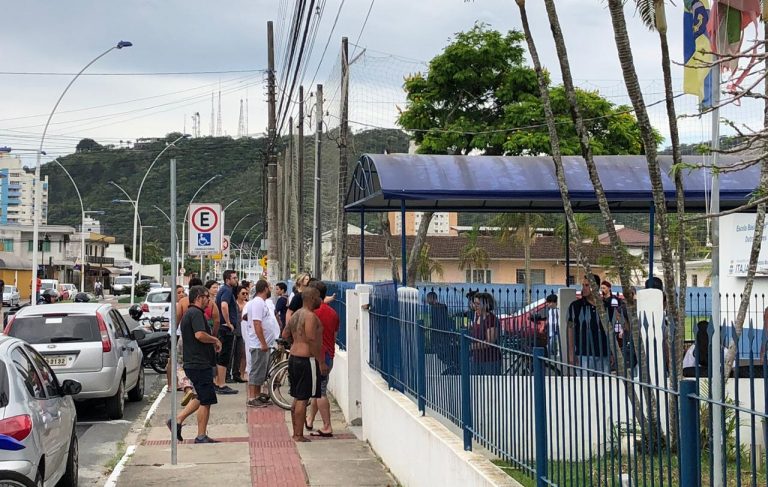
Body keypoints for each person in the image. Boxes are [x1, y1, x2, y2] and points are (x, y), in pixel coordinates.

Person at [168, 285, 222, 444]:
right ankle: (199, 434)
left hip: (195, 362)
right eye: (207, 297)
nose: (209, 300)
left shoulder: (189, 314)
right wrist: (215, 339)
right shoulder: (196, 313)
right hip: (199, 363)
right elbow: (199, 335)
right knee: (206, 400)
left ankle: (179, 421)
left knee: (201, 396)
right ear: (199, 297)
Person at [282, 286, 326, 442]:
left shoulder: (295, 315)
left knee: (297, 396)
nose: (321, 300)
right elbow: (312, 339)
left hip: (293, 357)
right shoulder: (310, 316)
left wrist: (295, 344)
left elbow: (285, 334)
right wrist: (321, 362)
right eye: (319, 297)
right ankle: (298, 434)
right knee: (303, 398)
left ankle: (296, 431)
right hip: (306, 360)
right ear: (313, 298)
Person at [306, 281, 339, 436]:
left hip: (320, 355)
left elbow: (311, 337)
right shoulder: (332, 312)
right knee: (317, 389)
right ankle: (310, 419)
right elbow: (335, 335)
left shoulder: (313, 313)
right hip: (329, 354)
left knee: (320, 392)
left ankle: (327, 426)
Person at [245, 280, 280, 407]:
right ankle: (252, 397)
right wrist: (263, 342)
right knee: (256, 371)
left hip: (263, 343)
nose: (271, 289)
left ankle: (258, 395)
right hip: (259, 344)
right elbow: (256, 323)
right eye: (269, 287)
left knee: (261, 372)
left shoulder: (261, 303)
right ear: (265, 289)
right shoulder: (257, 303)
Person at [567, 274, 610, 374]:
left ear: (596, 287)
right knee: (584, 385)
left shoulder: (605, 306)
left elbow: (609, 329)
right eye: (583, 285)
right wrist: (571, 352)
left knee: (604, 386)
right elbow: (570, 328)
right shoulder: (576, 306)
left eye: (587, 285)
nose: (584, 288)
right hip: (584, 353)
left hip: (603, 353)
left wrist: (611, 352)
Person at [214, 270, 240, 394]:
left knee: (223, 355)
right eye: (234, 278)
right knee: (224, 355)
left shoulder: (226, 290)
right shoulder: (227, 290)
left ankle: (219, 382)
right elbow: (224, 306)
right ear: (227, 280)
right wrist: (229, 322)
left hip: (224, 327)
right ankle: (221, 383)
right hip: (225, 328)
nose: (236, 280)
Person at [470, 292, 502, 374]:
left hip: (490, 361)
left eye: (477, 304)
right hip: (477, 359)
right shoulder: (477, 317)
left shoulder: (491, 319)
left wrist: (471, 347)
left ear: (485, 305)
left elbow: (489, 342)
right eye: (474, 303)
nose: (475, 306)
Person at [426, 291, 457, 373]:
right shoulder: (438, 307)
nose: (427, 300)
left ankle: (451, 364)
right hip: (440, 332)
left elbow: (439, 321)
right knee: (441, 350)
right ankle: (450, 363)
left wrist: (432, 328)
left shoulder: (438, 307)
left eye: (428, 298)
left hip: (440, 333)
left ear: (433, 298)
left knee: (441, 350)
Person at [231, 284, 250, 383]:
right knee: (232, 353)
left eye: (246, 293)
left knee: (243, 353)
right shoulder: (233, 304)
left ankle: (241, 374)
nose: (245, 295)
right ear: (237, 294)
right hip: (235, 330)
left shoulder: (248, 304)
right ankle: (230, 374)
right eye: (243, 293)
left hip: (244, 332)